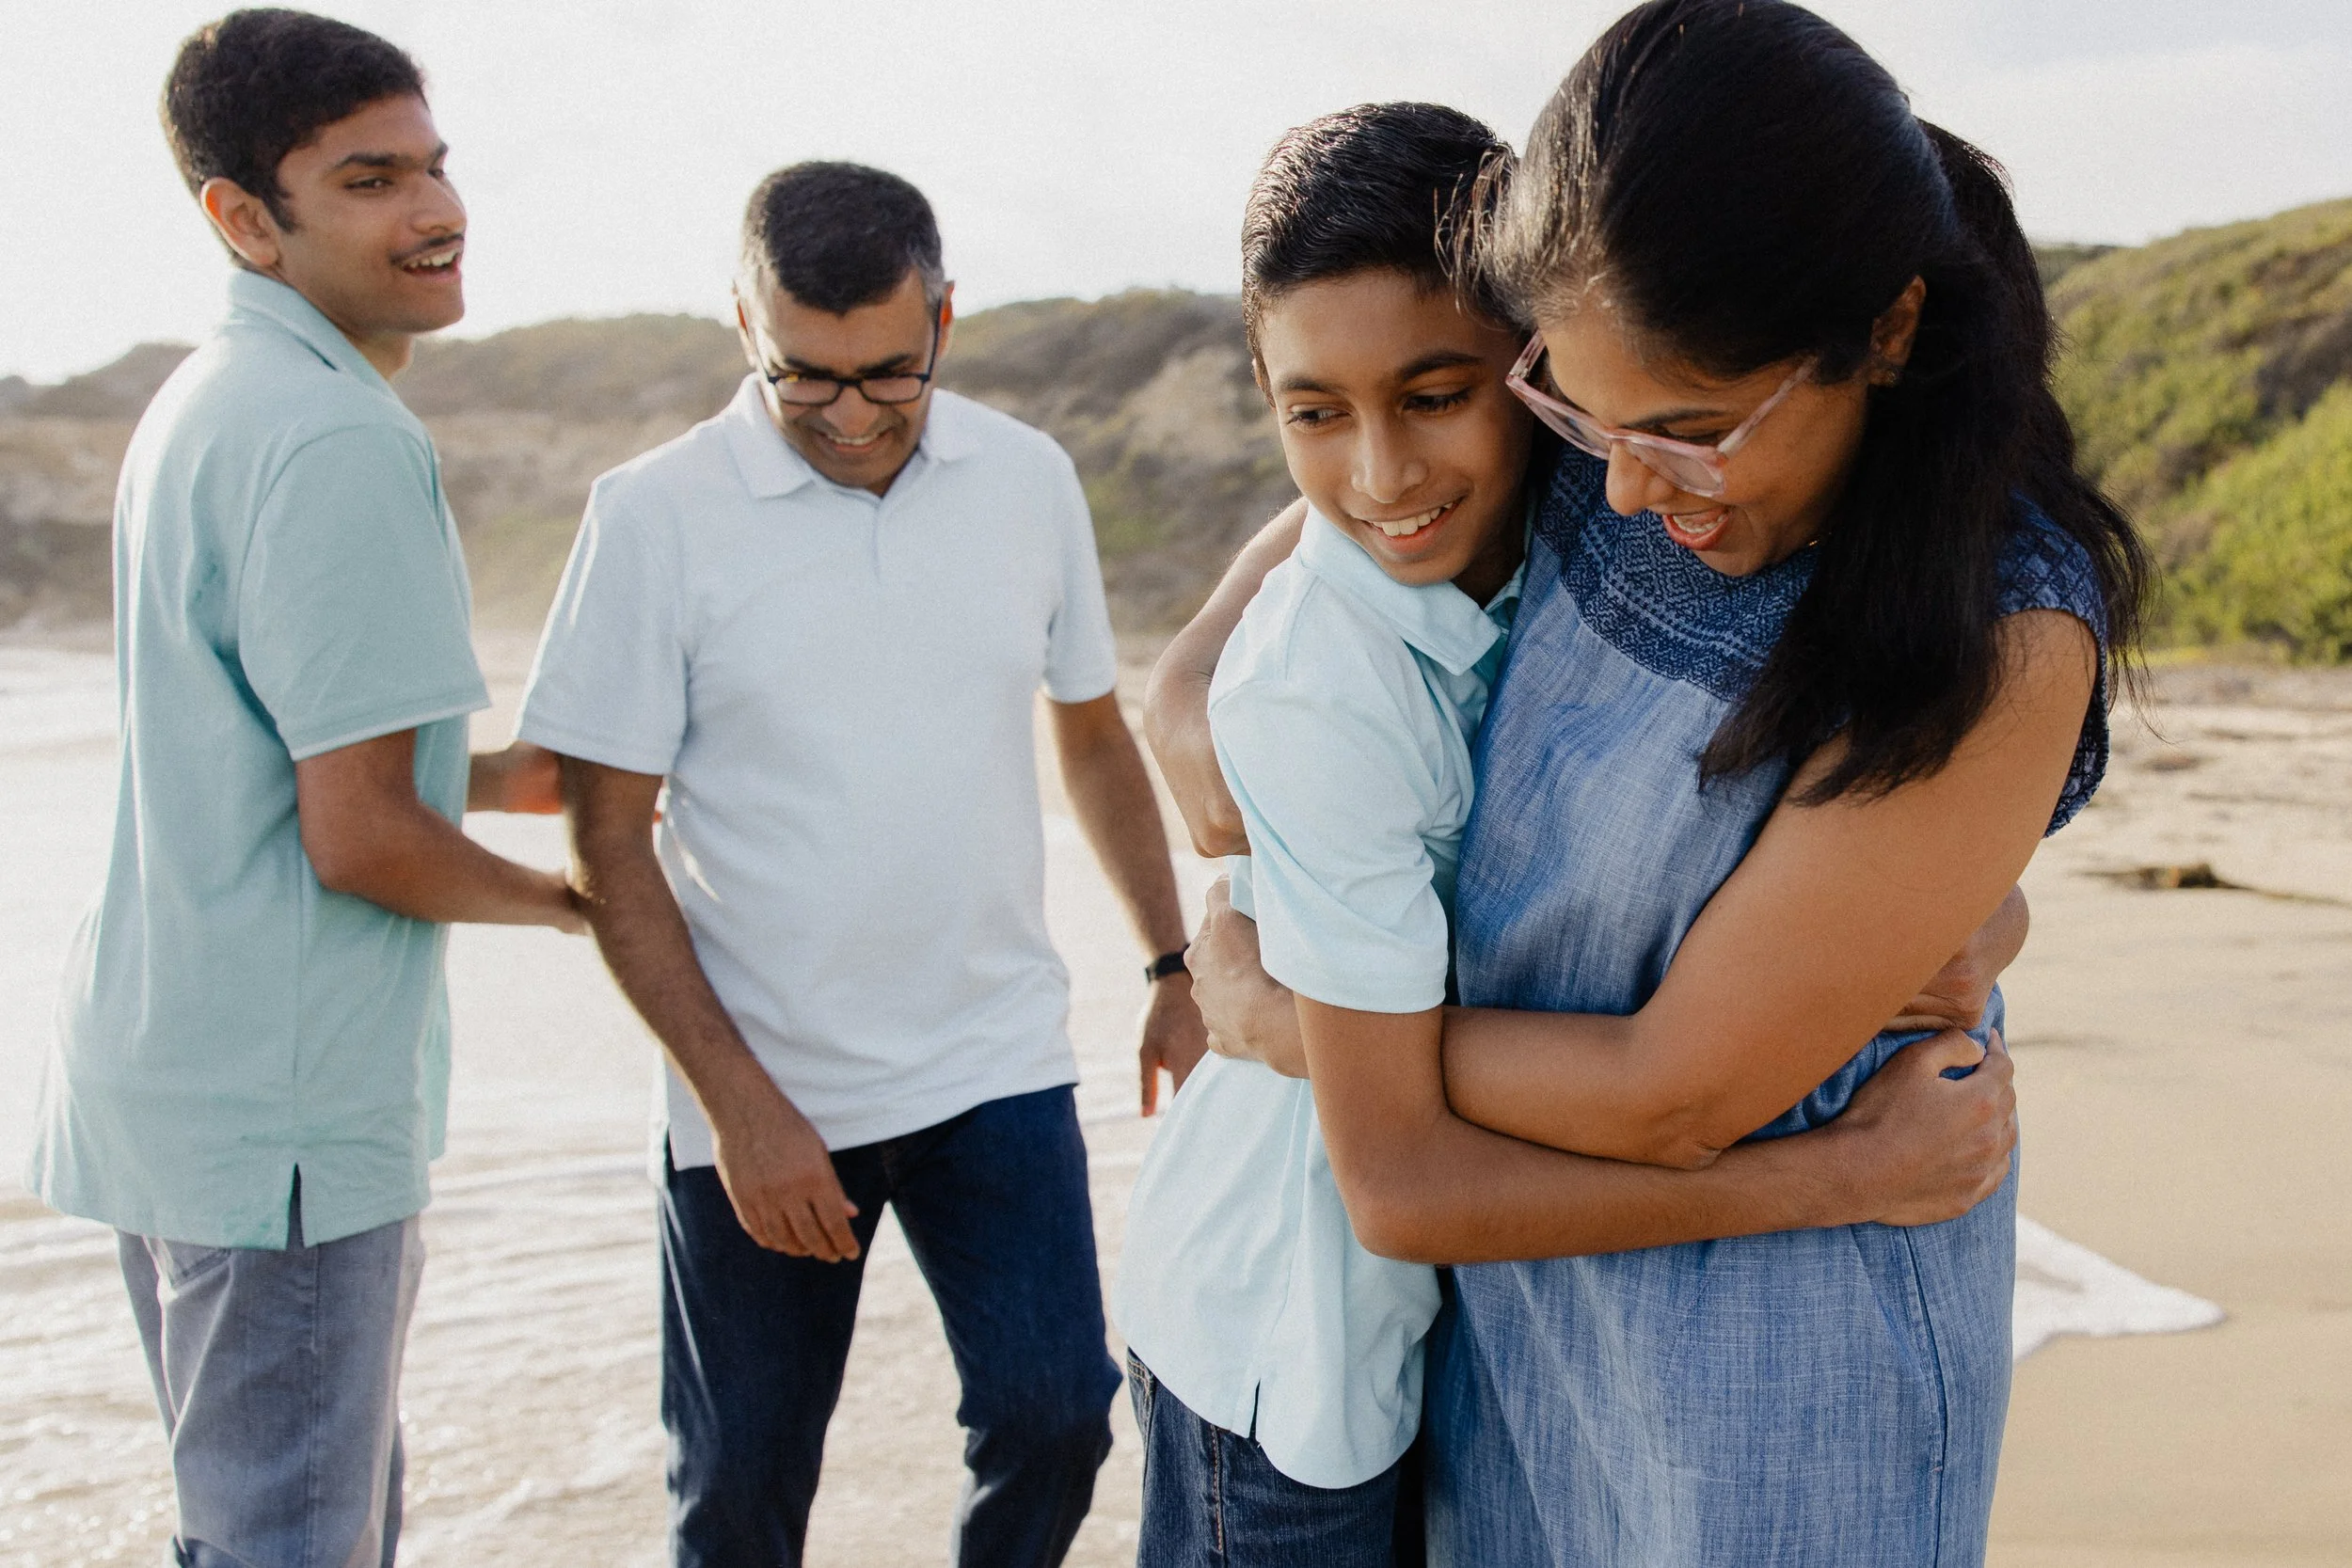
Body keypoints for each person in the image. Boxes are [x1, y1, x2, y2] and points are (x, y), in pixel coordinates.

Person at [1154, 3, 2152, 1562]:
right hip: (1522, 1329)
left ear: (1883, 333)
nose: (1618, 488)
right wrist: (1194, 666)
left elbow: (1676, 1092)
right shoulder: (1619, 404)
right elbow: (1378, 481)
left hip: (1774, 1360)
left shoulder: (1996, 629)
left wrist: (1303, 1031)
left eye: (1685, 436)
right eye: (1576, 413)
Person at [516, 161, 1206, 1567]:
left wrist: (1170, 959)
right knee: (741, 1495)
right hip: (762, 1082)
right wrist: (740, 1110)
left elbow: (1089, 735)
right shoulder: (650, 516)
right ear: (742, 326)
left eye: (886, 373)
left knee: (1060, 1418)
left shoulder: (1028, 477)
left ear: (946, 318)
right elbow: (608, 844)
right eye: (803, 378)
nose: (846, 416)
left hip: (990, 1060)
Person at [24, 11, 582, 1565]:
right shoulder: (337, 433)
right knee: (292, 1548)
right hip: (276, 1117)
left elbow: (279, 753)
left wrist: (517, 778)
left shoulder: (206, 398)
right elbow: (361, 840)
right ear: (243, 218)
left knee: (254, 1532)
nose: (435, 210)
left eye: (434, 163)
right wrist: (579, 904)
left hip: (163, 1075)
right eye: (369, 179)